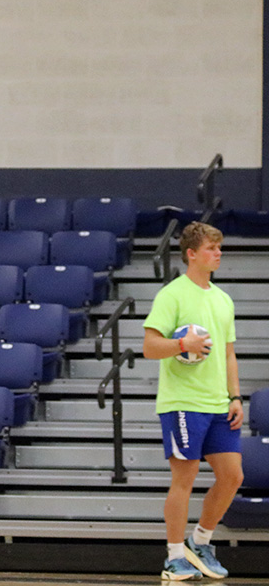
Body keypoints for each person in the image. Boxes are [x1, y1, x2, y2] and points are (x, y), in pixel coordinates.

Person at [142, 221, 244, 581]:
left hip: (218, 404)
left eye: (219, 248)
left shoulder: (222, 298)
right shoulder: (172, 295)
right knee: (183, 479)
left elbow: (229, 353)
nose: (218, 254)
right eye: (211, 248)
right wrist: (183, 344)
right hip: (183, 402)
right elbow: (150, 347)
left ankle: (199, 541)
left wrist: (234, 396)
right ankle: (173, 557)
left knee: (232, 476)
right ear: (191, 254)